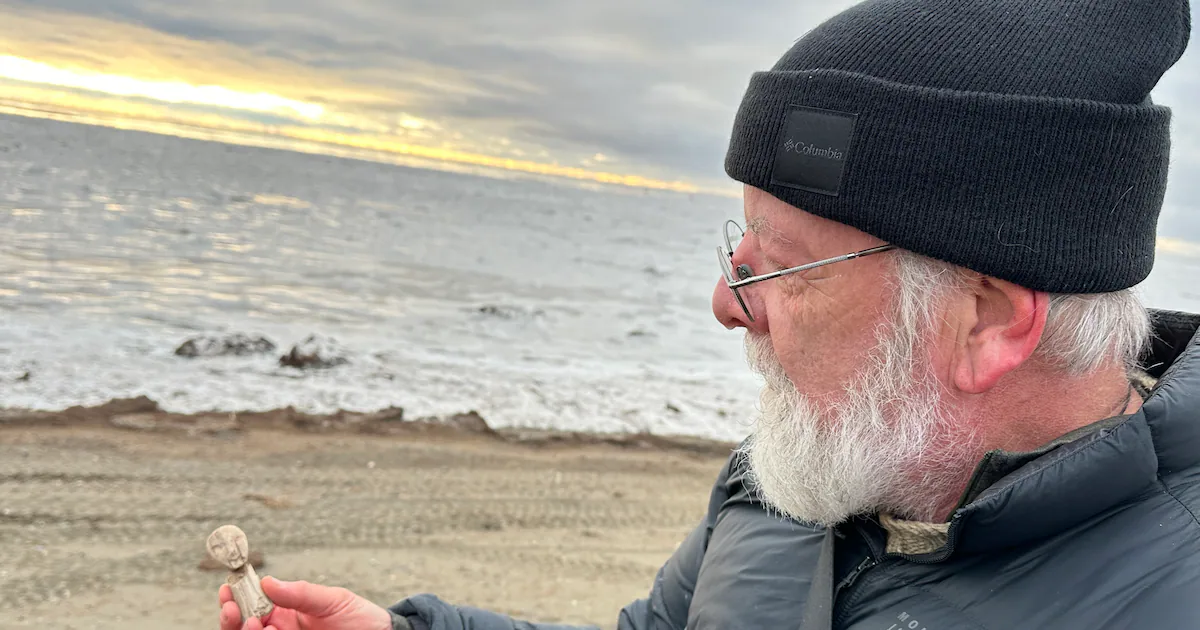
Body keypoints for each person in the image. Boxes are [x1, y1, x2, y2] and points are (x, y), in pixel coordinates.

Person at [218, 0, 1199, 628]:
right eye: (737, 250)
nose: (726, 304)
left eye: (779, 268)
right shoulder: (800, 478)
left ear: (984, 320)